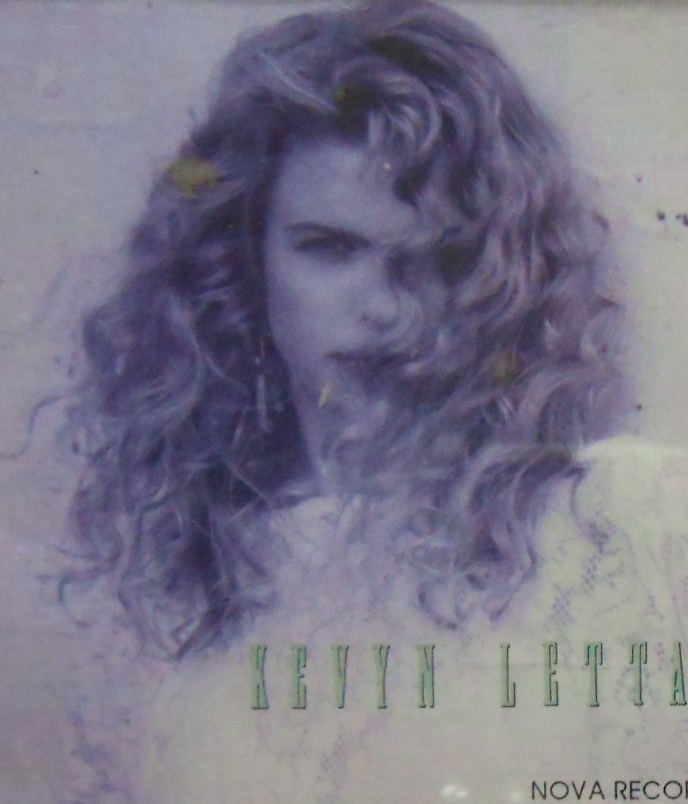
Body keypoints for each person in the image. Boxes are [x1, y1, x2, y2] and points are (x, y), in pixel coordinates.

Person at [68, 0, 617, 659]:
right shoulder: (167, 577)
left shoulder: (594, 529)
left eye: (431, 259)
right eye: (330, 248)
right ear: (246, 257)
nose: (382, 308)